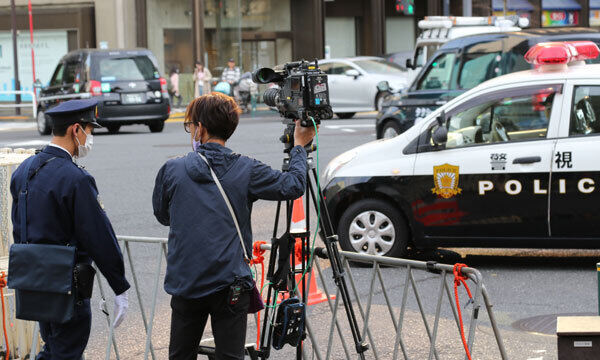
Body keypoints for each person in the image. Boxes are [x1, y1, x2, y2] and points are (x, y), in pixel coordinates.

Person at [152, 93, 316, 360]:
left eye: (190, 125)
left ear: (200, 129)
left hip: (186, 280)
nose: (190, 130)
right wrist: (299, 147)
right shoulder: (247, 168)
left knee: (180, 355)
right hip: (230, 281)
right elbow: (293, 185)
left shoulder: (172, 169)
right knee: (231, 356)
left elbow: (162, 215)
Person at [10, 99, 130, 359]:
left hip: (36, 281)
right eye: (90, 130)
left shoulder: (23, 171)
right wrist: (119, 286)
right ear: (76, 130)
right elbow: (99, 236)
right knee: (66, 351)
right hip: (67, 285)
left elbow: (19, 228)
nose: (91, 137)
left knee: (53, 348)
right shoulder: (76, 179)